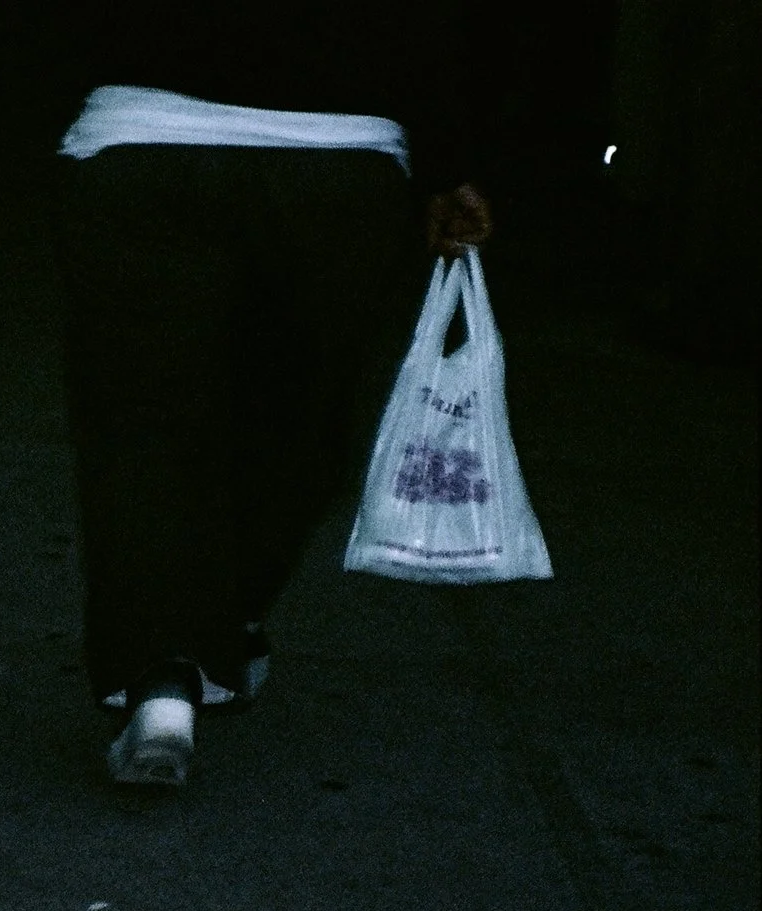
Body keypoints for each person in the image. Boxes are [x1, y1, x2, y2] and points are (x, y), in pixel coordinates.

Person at [55, 1, 493, 786]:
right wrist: (449, 161)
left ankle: (162, 676)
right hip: (339, 149)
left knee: (142, 426)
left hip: (146, 131)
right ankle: (229, 613)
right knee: (294, 422)